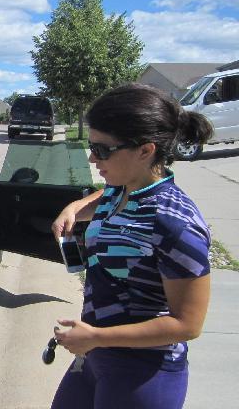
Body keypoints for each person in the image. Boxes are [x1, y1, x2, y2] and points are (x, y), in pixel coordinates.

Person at [50, 83, 213, 409]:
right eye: (90, 146)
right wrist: (74, 209)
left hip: (144, 373)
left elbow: (188, 324)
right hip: (97, 357)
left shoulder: (175, 223)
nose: (93, 158)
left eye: (103, 150)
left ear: (145, 150)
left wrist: (95, 337)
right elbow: (103, 197)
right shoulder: (121, 187)